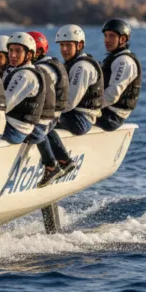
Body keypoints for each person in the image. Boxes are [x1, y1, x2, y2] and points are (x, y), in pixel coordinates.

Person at [39, 24, 104, 182]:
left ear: (79, 45)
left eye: (68, 45)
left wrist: (44, 111)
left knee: (41, 124)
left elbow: (69, 103)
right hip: (76, 115)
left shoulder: (82, 67)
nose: (64, 49)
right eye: (62, 45)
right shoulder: (73, 63)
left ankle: (63, 162)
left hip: (81, 119)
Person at [29, 31, 75, 183]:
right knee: (50, 130)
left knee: (33, 129)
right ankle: (64, 160)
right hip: (56, 114)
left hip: (49, 115)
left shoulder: (42, 69)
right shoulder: (53, 63)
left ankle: (50, 165)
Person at [1, 32, 46, 147]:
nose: (13, 55)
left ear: (29, 55)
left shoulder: (25, 75)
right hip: (18, 127)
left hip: (14, 130)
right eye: (10, 50)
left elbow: (4, 106)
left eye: (18, 51)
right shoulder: (21, 71)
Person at [98, 18, 142, 131]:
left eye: (111, 36)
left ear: (122, 39)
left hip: (111, 117)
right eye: (105, 35)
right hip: (106, 111)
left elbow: (113, 94)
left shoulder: (124, 61)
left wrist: (90, 107)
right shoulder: (115, 58)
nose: (107, 40)